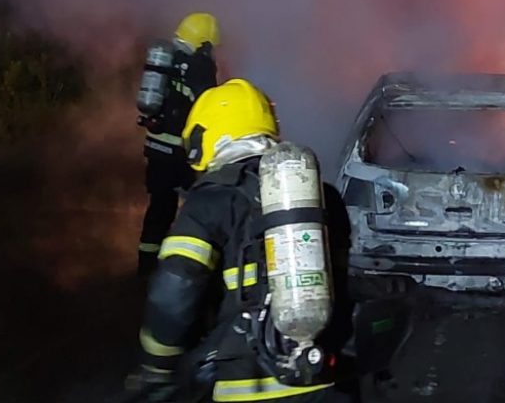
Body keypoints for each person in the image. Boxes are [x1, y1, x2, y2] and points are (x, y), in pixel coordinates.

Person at [134, 78, 358, 402]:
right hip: (326, 377)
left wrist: (157, 367)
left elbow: (175, 288)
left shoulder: (210, 201)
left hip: (246, 384)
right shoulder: (322, 195)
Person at [138, 12, 220, 277]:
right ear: (204, 42)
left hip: (156, 148)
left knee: (159, 209)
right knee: (199, 208)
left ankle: (146, 268)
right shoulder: (200, 65)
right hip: (181, 152)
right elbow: (207, 104)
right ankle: (187, 269)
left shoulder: (167, 58)